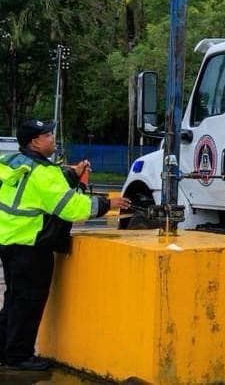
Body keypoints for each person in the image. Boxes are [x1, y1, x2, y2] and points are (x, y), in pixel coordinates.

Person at [0, 119, 131, 371]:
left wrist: (72, 172)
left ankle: (6, 349)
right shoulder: (45, 175)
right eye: (48, 135)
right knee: (28, 302)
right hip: (32, 245)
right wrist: (108, 204)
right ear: (35, 141)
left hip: (9, 240)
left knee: (14, 299)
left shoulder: (13, 162)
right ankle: (19, 355)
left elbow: (43, 183)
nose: (53, 139)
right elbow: (71, 207)